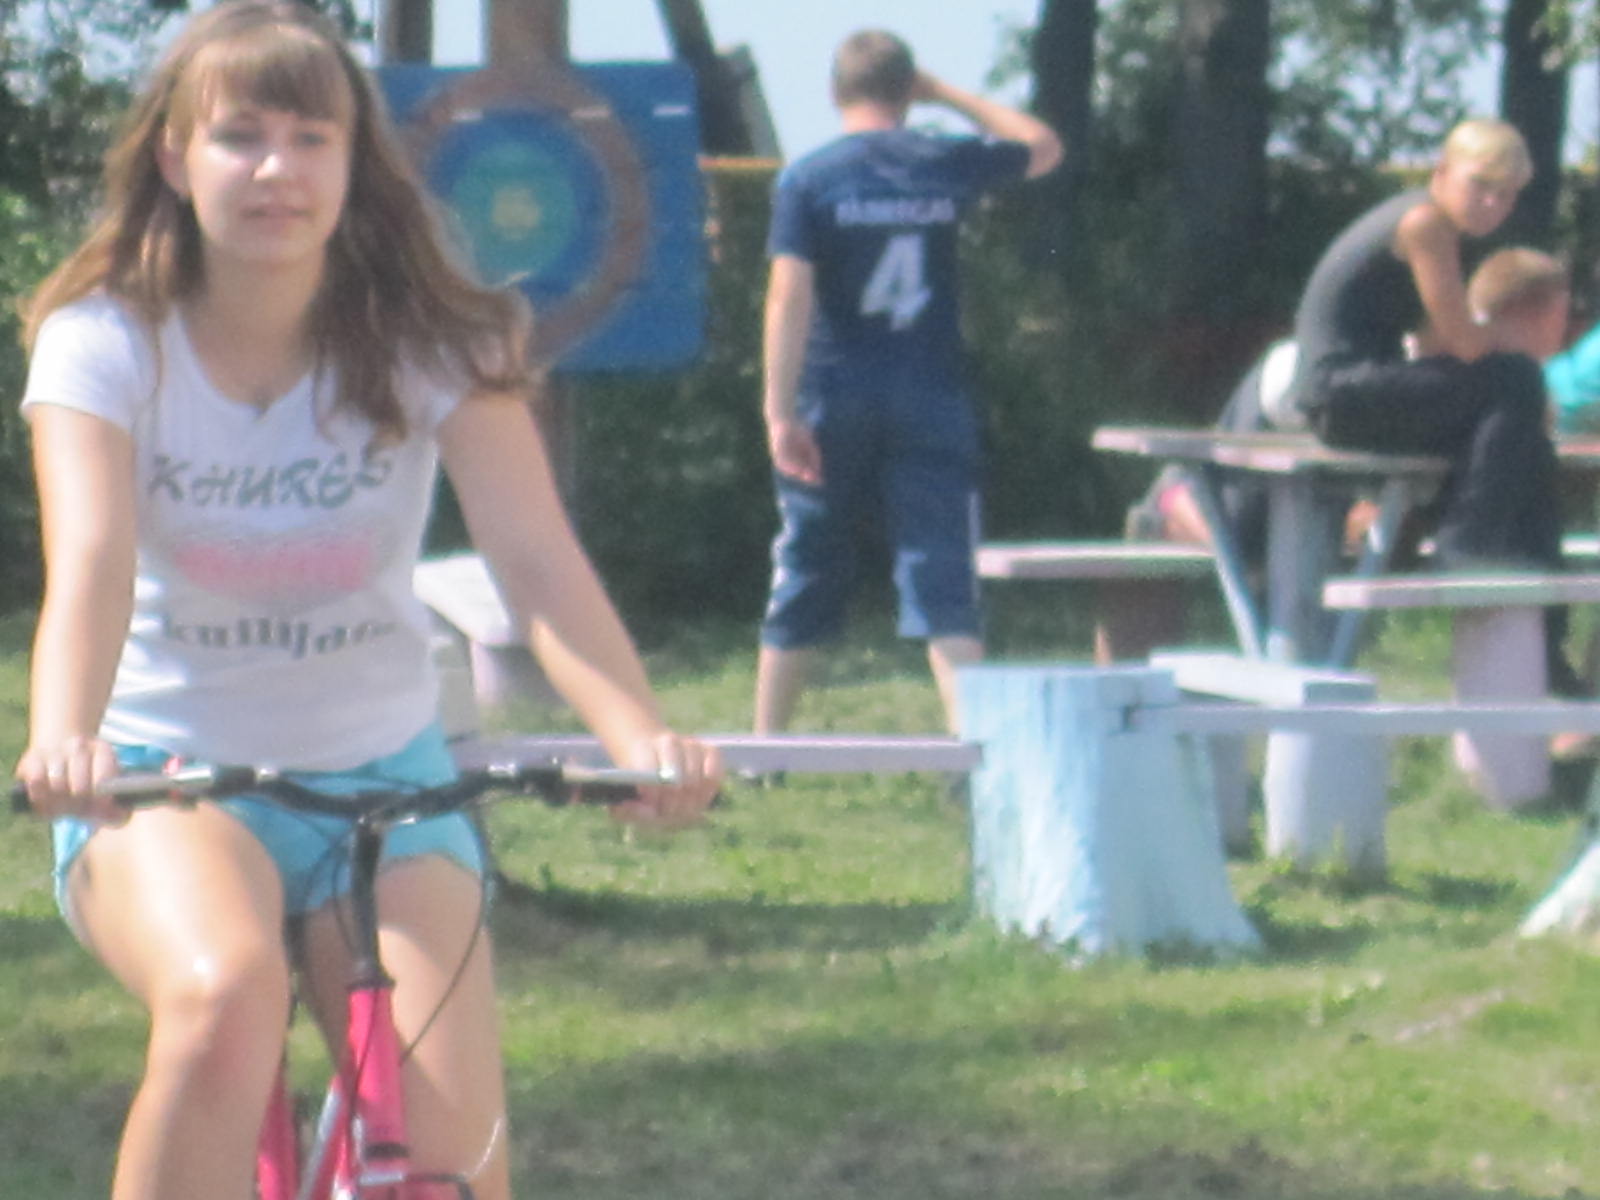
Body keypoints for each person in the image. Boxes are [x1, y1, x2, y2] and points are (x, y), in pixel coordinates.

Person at [10, 5, 721, 1199]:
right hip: (165, 779)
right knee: (222, 998)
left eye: (311, 138)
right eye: (241, 136)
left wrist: (637, 736)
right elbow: (92, 561)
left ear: (355, 163)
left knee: (451, 1159)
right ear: (176, 159)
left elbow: (535, 559)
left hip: (388, 783)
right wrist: (63, 740)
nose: (276, 169)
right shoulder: (105, 343)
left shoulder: (439, 339)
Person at [753, 29, 1062, 734]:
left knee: (805, 560)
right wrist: (947, 94)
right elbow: (1043, 146)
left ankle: (765, 746)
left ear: (833, 93)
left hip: (833, 392)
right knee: (942, 572)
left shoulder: (808, 179)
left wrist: (779, 410)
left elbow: (788, 295)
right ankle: (973, 750)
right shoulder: (940, 161)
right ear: (906, 91)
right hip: (930, 391)